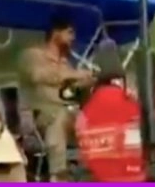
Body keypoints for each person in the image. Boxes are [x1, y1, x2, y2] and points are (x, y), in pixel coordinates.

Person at [17, 16, 96, 182]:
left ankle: (100, 169)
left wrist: (87, 82)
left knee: (96, 118)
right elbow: (37, 76)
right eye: (69, 33)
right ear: (55, 33)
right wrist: (74, 74)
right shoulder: (32, 55)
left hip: (66, 113)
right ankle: (58, 175)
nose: (73, 38)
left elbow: (70, 90)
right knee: (59, 116)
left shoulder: (65, 62)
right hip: (37, 117)